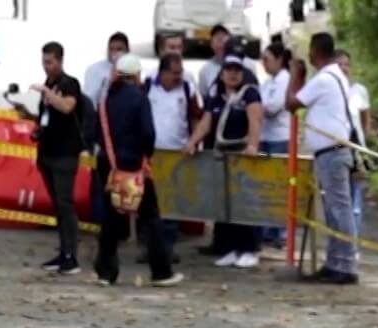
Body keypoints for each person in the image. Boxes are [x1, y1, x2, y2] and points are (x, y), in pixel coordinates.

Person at [93, 54, 179, 287]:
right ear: (136, 75)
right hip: (134, 166)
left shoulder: (105, 100)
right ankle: (161, 271)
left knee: (111, 218)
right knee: (150, 217)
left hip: (109, 165)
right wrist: (145, 155)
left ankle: (105, 272)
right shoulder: (140, 99)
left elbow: (96, 133)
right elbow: (148, 133)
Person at [287, 31, 358, 283]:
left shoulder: (325, 78)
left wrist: (296, 75)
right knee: (333, 210)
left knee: (340, 210)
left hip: (333, 153)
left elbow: (291, 103)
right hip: (330, 152)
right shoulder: (333, 76)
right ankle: (335, 262)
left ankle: (347, 265)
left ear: (315, 52)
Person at [187, 54, 261, 267]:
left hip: (243, 155)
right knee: (224, 202)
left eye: (237, 70)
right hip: (222, 155)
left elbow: (255, 120)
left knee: (243, 202)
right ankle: (229, 247)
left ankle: (249, 249)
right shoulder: (216, 94)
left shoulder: (250, 93)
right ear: (222, 72)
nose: (233, 74)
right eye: (229, 70)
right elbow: (206, 122)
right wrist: (193, 142)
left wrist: (253, 145)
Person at [34, 41, 83, 274]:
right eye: (44, 62)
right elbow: (46, 116)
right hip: (47, 152)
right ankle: (63, 252)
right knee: (58, 206)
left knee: (66, 204)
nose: (46, 67)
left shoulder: (69, 83)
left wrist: (47, 94)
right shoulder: (49, 83)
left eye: (50, 62)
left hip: (65, 154)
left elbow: (67, 107)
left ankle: (72, 256)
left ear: (60, 61)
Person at [143, 52, 197, 260]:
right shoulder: (148, 87)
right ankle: (150, 248)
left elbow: (195, 116)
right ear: (163, 72)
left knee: (172, 205)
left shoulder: (186, 89)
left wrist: (193, 142)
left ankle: (167, 248)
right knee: (150, 204)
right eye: (174, 73)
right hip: (152, 155)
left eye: (180, 72)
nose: (178, 77)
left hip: (177, 155)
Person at [257, 41, 290, 246]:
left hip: (280, 137)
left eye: (267, 60)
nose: (264, 64)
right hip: (265, 136)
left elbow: (272, 107)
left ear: (279, 60)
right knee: (266, 185)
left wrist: (258, 107)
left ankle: (281, 230)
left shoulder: (285, 80)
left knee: (279, 184)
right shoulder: (268, 81)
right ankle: (268, 228)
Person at [336, 49, 372, 234]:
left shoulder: (359, 91)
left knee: (356, 202)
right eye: (339, 64)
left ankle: (354, 241)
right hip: (335, 151)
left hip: (357, 152)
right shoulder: (330, 90)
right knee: (340, 200)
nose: (344, 68)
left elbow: (366, 119)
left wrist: (363, 142)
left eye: (346, 64)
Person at [79, 32, 127, 107]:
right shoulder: (95, 70)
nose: (114, 53)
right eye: (111, 49)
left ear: (127, 50)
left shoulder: (132, 69)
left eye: (119, 49)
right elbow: (90, 99)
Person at [196, 25, 230, 97]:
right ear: (211, 44)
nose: (222, 45)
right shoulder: (205, 70)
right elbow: (204, 96)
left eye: (224, 40)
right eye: (218, 40)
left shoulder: (246, 65)